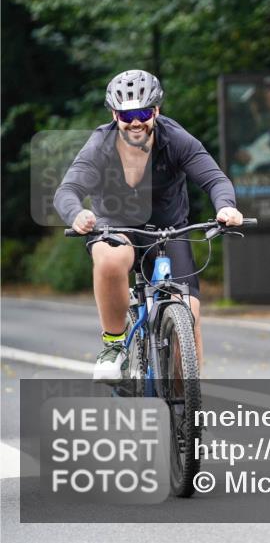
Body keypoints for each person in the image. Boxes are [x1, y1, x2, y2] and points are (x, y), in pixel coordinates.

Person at [54, 70, 244, 382]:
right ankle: (113, 345)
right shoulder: (100, 145)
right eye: (127, 115)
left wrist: (226, 207)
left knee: (190, 315)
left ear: (156, 111)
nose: (135, 121)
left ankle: (186, 409)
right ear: (115, 115)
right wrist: (76, 214)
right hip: (116, 226)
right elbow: (67, 191)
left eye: (143, 112)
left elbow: (214, 179)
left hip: (168, 230)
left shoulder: (176, 140)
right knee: (112, 257)